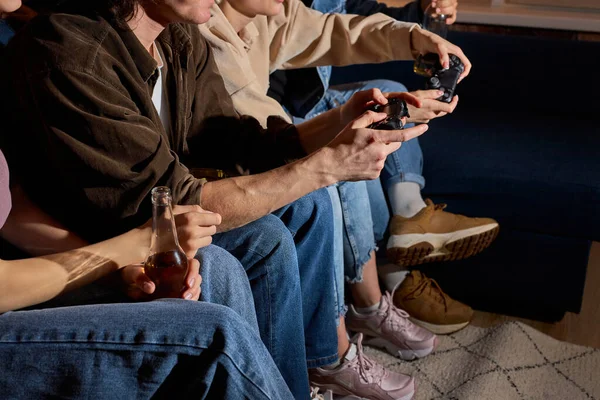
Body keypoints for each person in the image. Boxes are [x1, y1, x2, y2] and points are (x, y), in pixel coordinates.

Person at [0, 0, 430, 398]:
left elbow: (234, 146)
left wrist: (339, 120)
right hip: (108, 224)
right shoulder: (70, 51)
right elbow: (168, 201)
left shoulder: (178, 37)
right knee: (227, 261)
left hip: (126, 226)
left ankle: (296, 379)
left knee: (284, 221)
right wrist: (325, 167)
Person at [200, 0, 497, 337]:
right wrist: (353, 126)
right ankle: (346, 335)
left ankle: (407, 225)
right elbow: (272, 136)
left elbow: (337, 29)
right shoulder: (204, 39)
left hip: (264, 142)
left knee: (369, 116)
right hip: (226, 177)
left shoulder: (265, 17)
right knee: (332, 178)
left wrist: (416, 38)